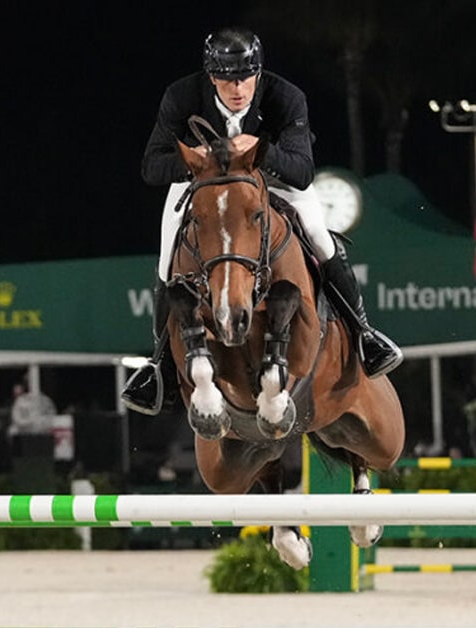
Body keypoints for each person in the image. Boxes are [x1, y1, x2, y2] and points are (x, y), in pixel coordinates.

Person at [121, 27, 402, 415]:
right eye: (226, 79)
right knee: (168, 258)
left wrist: (259, 151)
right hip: (204, 184)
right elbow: (152, 167)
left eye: (245, 77)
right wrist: (200, 158)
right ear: (211, 76)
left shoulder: (285, 97)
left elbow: (302, 172)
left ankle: (364, 334)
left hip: (272, 180)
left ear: (258, 72)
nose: (238, 88)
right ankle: (160, 365)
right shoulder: (181, 96)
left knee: (320, 237)